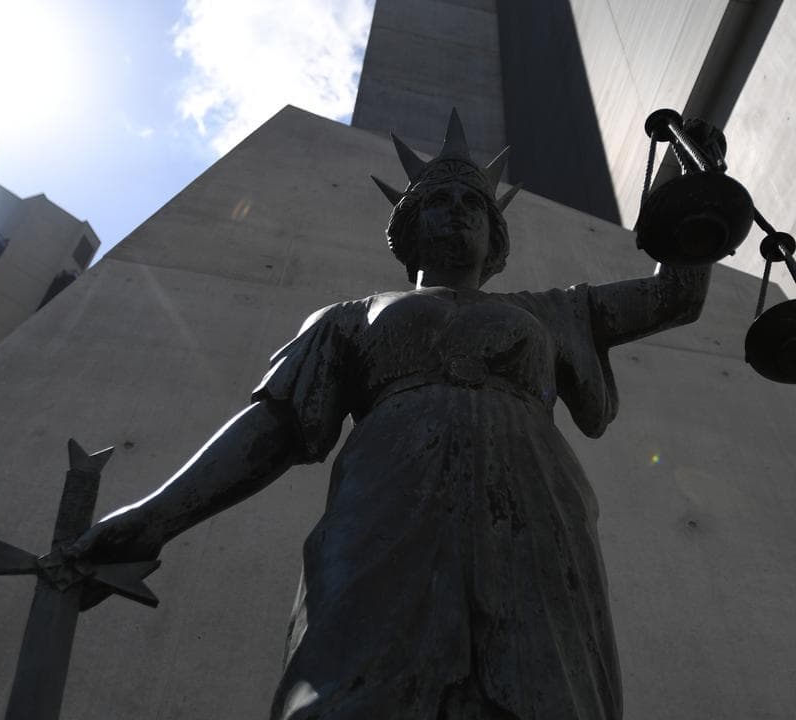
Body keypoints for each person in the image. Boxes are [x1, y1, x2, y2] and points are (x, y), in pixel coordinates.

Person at [66, 110, 712, 720]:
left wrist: (695, 190)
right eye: (438, 201)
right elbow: (274, 426)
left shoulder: (551, 313)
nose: (456, 211)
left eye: (472, 205)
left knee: (549, 689)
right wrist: (155, 515)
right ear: (408, 229)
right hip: (388, 510)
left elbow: (674, 296)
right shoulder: (351, 318)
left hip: (535, 516)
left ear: (495, 236)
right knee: (351, 685)